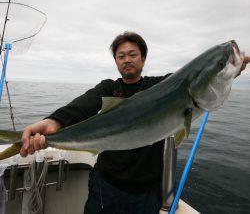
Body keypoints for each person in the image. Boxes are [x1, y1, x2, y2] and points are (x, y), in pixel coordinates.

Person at [20, 32, 249, 214]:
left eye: (133, 54)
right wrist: (54, 122)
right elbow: (82, 105)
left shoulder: (163, 86)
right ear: (116, 61)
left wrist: (231, 70)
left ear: (143, 58)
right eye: (121, 56)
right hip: (106, 185)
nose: (127, 60)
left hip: (147, 191)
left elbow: (200, 78)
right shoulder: (108, 88)